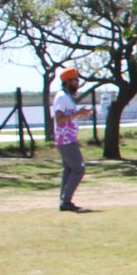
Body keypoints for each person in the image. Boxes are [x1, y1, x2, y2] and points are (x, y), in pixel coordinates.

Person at [53, 66, 89, 212]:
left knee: (68, 170)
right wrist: (77, 114)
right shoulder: (62, 97)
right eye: (75, 80)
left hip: (68, 138)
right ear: (67, 81)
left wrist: (79, 114)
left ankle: (64, 201)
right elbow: (59, 119)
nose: (77, 83)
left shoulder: (67, 97)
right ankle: (66, 200)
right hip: (65, 139)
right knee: (79, 169)